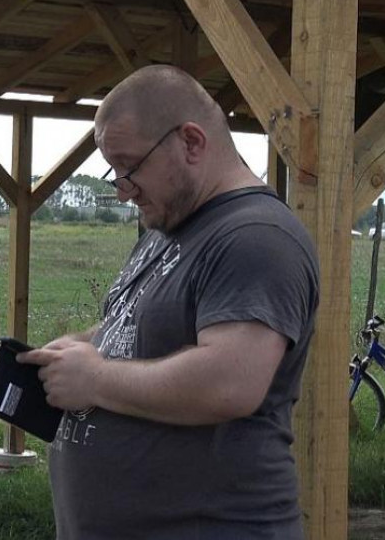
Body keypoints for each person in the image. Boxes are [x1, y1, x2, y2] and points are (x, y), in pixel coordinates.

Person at [17, 64, 319, 540]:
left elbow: (231, 381)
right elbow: (146, 324)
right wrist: (78, 346)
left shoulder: (256, 237)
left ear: (192, 143)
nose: (123, 189)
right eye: (114, 172)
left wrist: (94, 378)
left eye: (130, 168)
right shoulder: (171, 225)